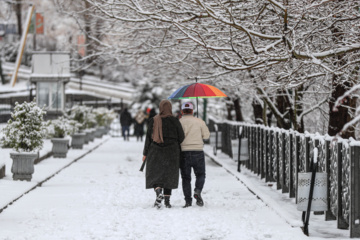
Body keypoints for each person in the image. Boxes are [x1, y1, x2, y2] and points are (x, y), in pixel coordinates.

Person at [142, 100, 185, 209]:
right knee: (169, 174)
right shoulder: (175, 120)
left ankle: (158, 192)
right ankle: (167, 201)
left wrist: (145, 153)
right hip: (172, 151)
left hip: (155, 150)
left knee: (155, 173)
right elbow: (182, 137)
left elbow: (148, 138)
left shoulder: (153, 120)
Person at [179, 102, 210, 208]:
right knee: (201, 175)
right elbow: (206, 136)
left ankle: (188, 201)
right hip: (198, 151)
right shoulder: (199, 122)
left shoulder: (179, 122)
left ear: (182, 111)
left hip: (184, 152)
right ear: (192, 111)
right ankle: (197, 190)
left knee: (186, 177)